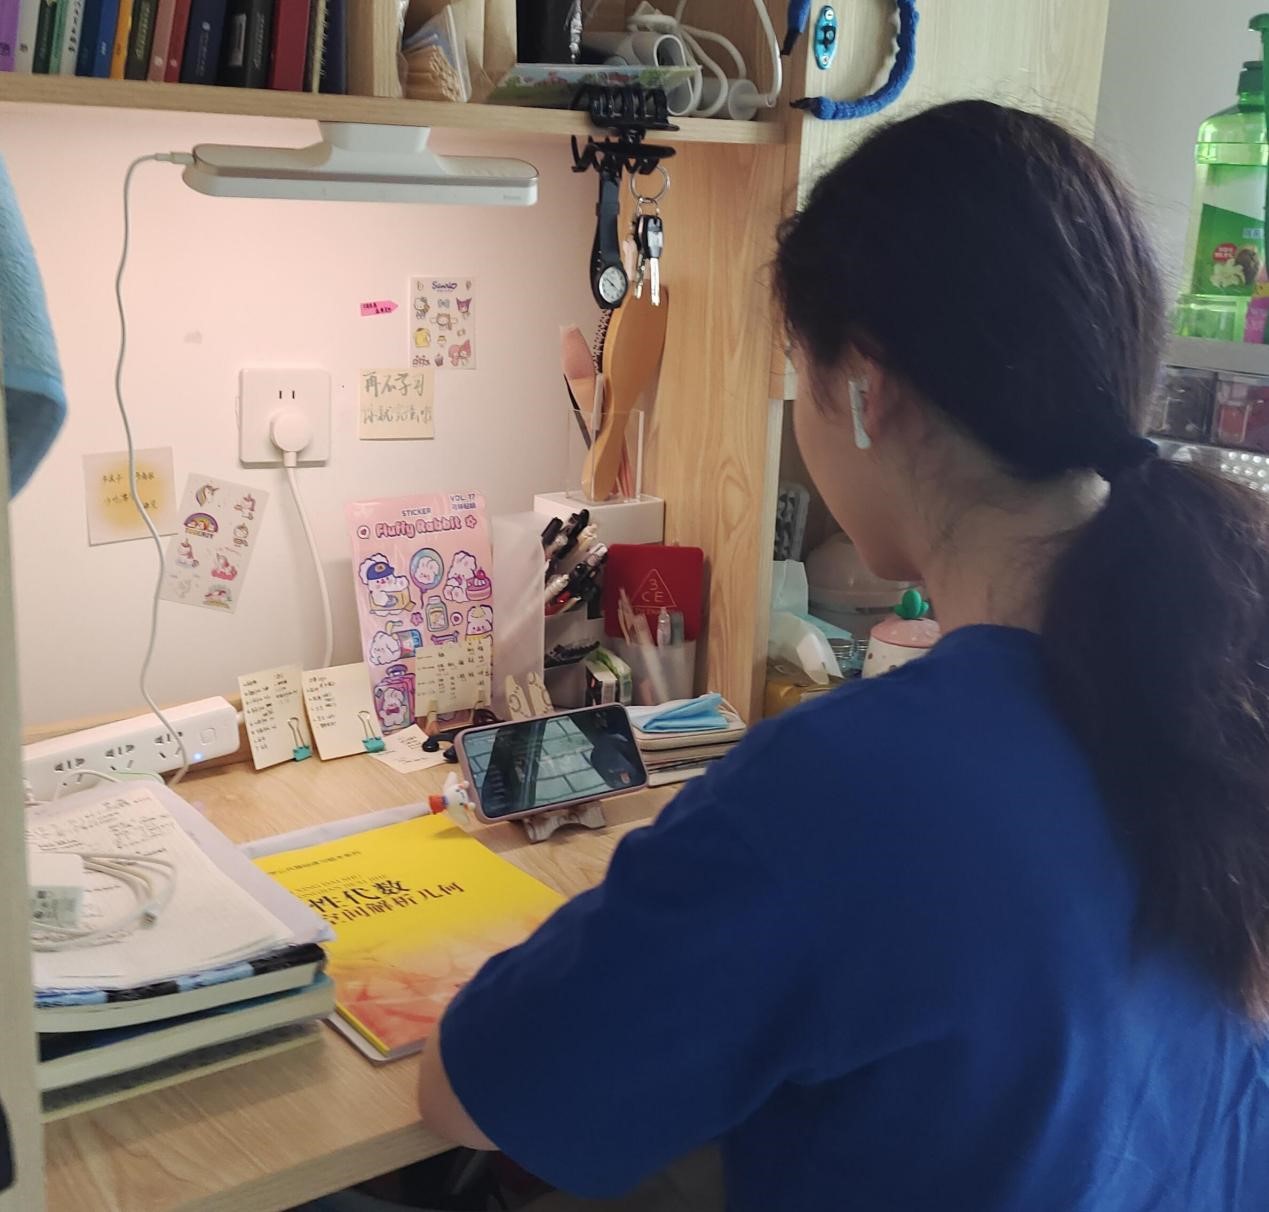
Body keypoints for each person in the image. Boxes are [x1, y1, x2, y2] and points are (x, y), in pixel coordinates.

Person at [417, 101, 1269, 1210]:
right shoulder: (1220, 696)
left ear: (864, 390)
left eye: (796, 367)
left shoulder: (845, 784)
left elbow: (473, 1094)